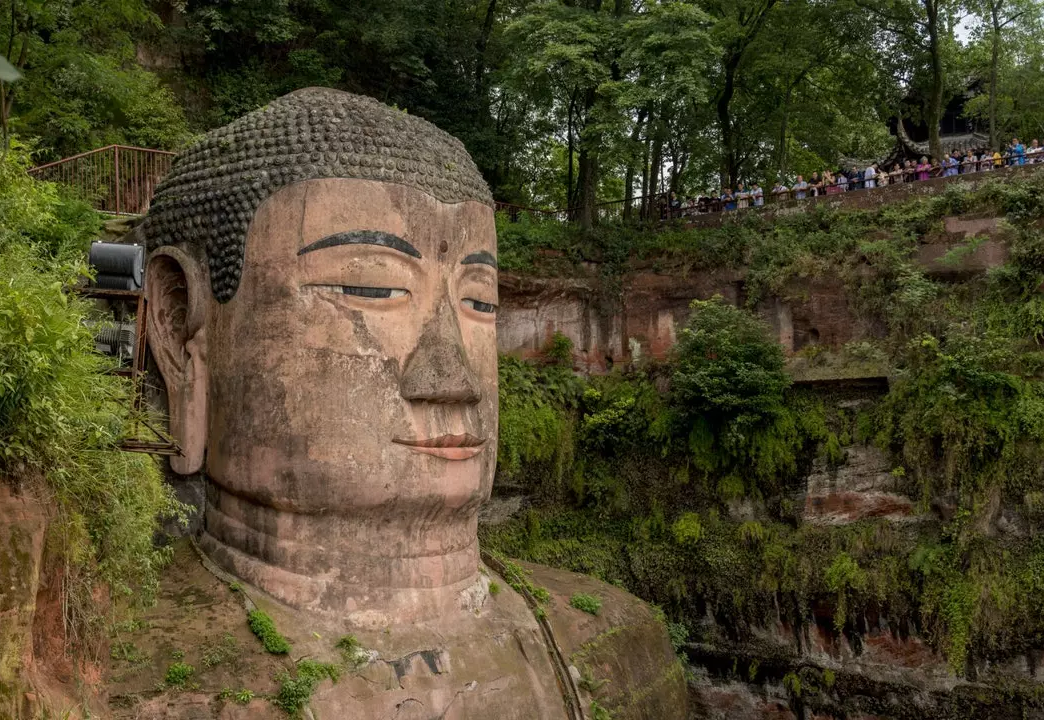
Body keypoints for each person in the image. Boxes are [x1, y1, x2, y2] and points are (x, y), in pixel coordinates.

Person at [137, 87, 688, 717]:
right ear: (182, 327)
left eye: (480, 302)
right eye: (371, 286)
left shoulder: (613, 646)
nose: (454, 378)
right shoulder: (144, 687)